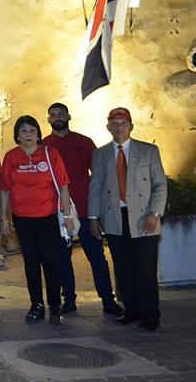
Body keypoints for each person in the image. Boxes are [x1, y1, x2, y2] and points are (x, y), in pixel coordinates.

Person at [88, 107, 167, 331]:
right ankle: (131, 310)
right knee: (123, 267)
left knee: (145, 268)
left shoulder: (148, 151)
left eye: (123, 123)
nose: (119, 127)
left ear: (131, 127)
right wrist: (93, 217)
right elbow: (95, 187)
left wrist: (155, 214)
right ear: (108, 127)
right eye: (114, 123)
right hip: (114, 217)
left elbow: (160, 185)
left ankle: (150, 315)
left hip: (144, 217)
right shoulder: (101, 154)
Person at [42, 103, 124, 316]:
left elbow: (98, 176)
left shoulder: (84, 142)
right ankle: (68, 300)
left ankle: (108, 300)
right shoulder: (44, 146)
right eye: (53, 115)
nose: (57, 117)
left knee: (96, 256)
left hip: (87, 209)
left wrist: (99, 210)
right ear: (48, 120)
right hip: (59, 211)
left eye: (61, 113)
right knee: (62, 259)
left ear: (68, 116)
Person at [0, 116, 76, 325]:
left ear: (38, 134)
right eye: (23, 131)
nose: (28, 135)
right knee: (30, 262)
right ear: (17, 135)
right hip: (23, 219)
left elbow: (64, 186)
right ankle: (37, 305)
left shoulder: (50, 154)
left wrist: (68, 216)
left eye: (32, 131)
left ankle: (54, 305)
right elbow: (5, 189)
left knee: (51, 261)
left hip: (48, 217)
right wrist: (4, 218)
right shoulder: (12, 157)